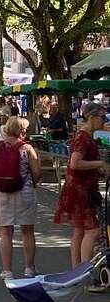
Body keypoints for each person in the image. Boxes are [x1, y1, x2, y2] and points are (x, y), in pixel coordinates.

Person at [0, 116, 41, 279]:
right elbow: (36, 172)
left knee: (5, 233)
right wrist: (32, 183)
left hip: (3, 192)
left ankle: (7, 270)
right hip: (25, 192)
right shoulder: (27, 148)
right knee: (27, 231)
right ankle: (29, 268)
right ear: (21, 131)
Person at [54, 101, 108, 266]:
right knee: (93, 231)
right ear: (91, 117)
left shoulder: (84, 135)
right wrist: (100, 164)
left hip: (80, 188)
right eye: (102, 117)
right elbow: (75, 163)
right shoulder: (83, 137)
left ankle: (76, 270)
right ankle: (85, 271)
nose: (104, 121)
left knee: (79, 231)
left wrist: (98, 171)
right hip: (81, 190)